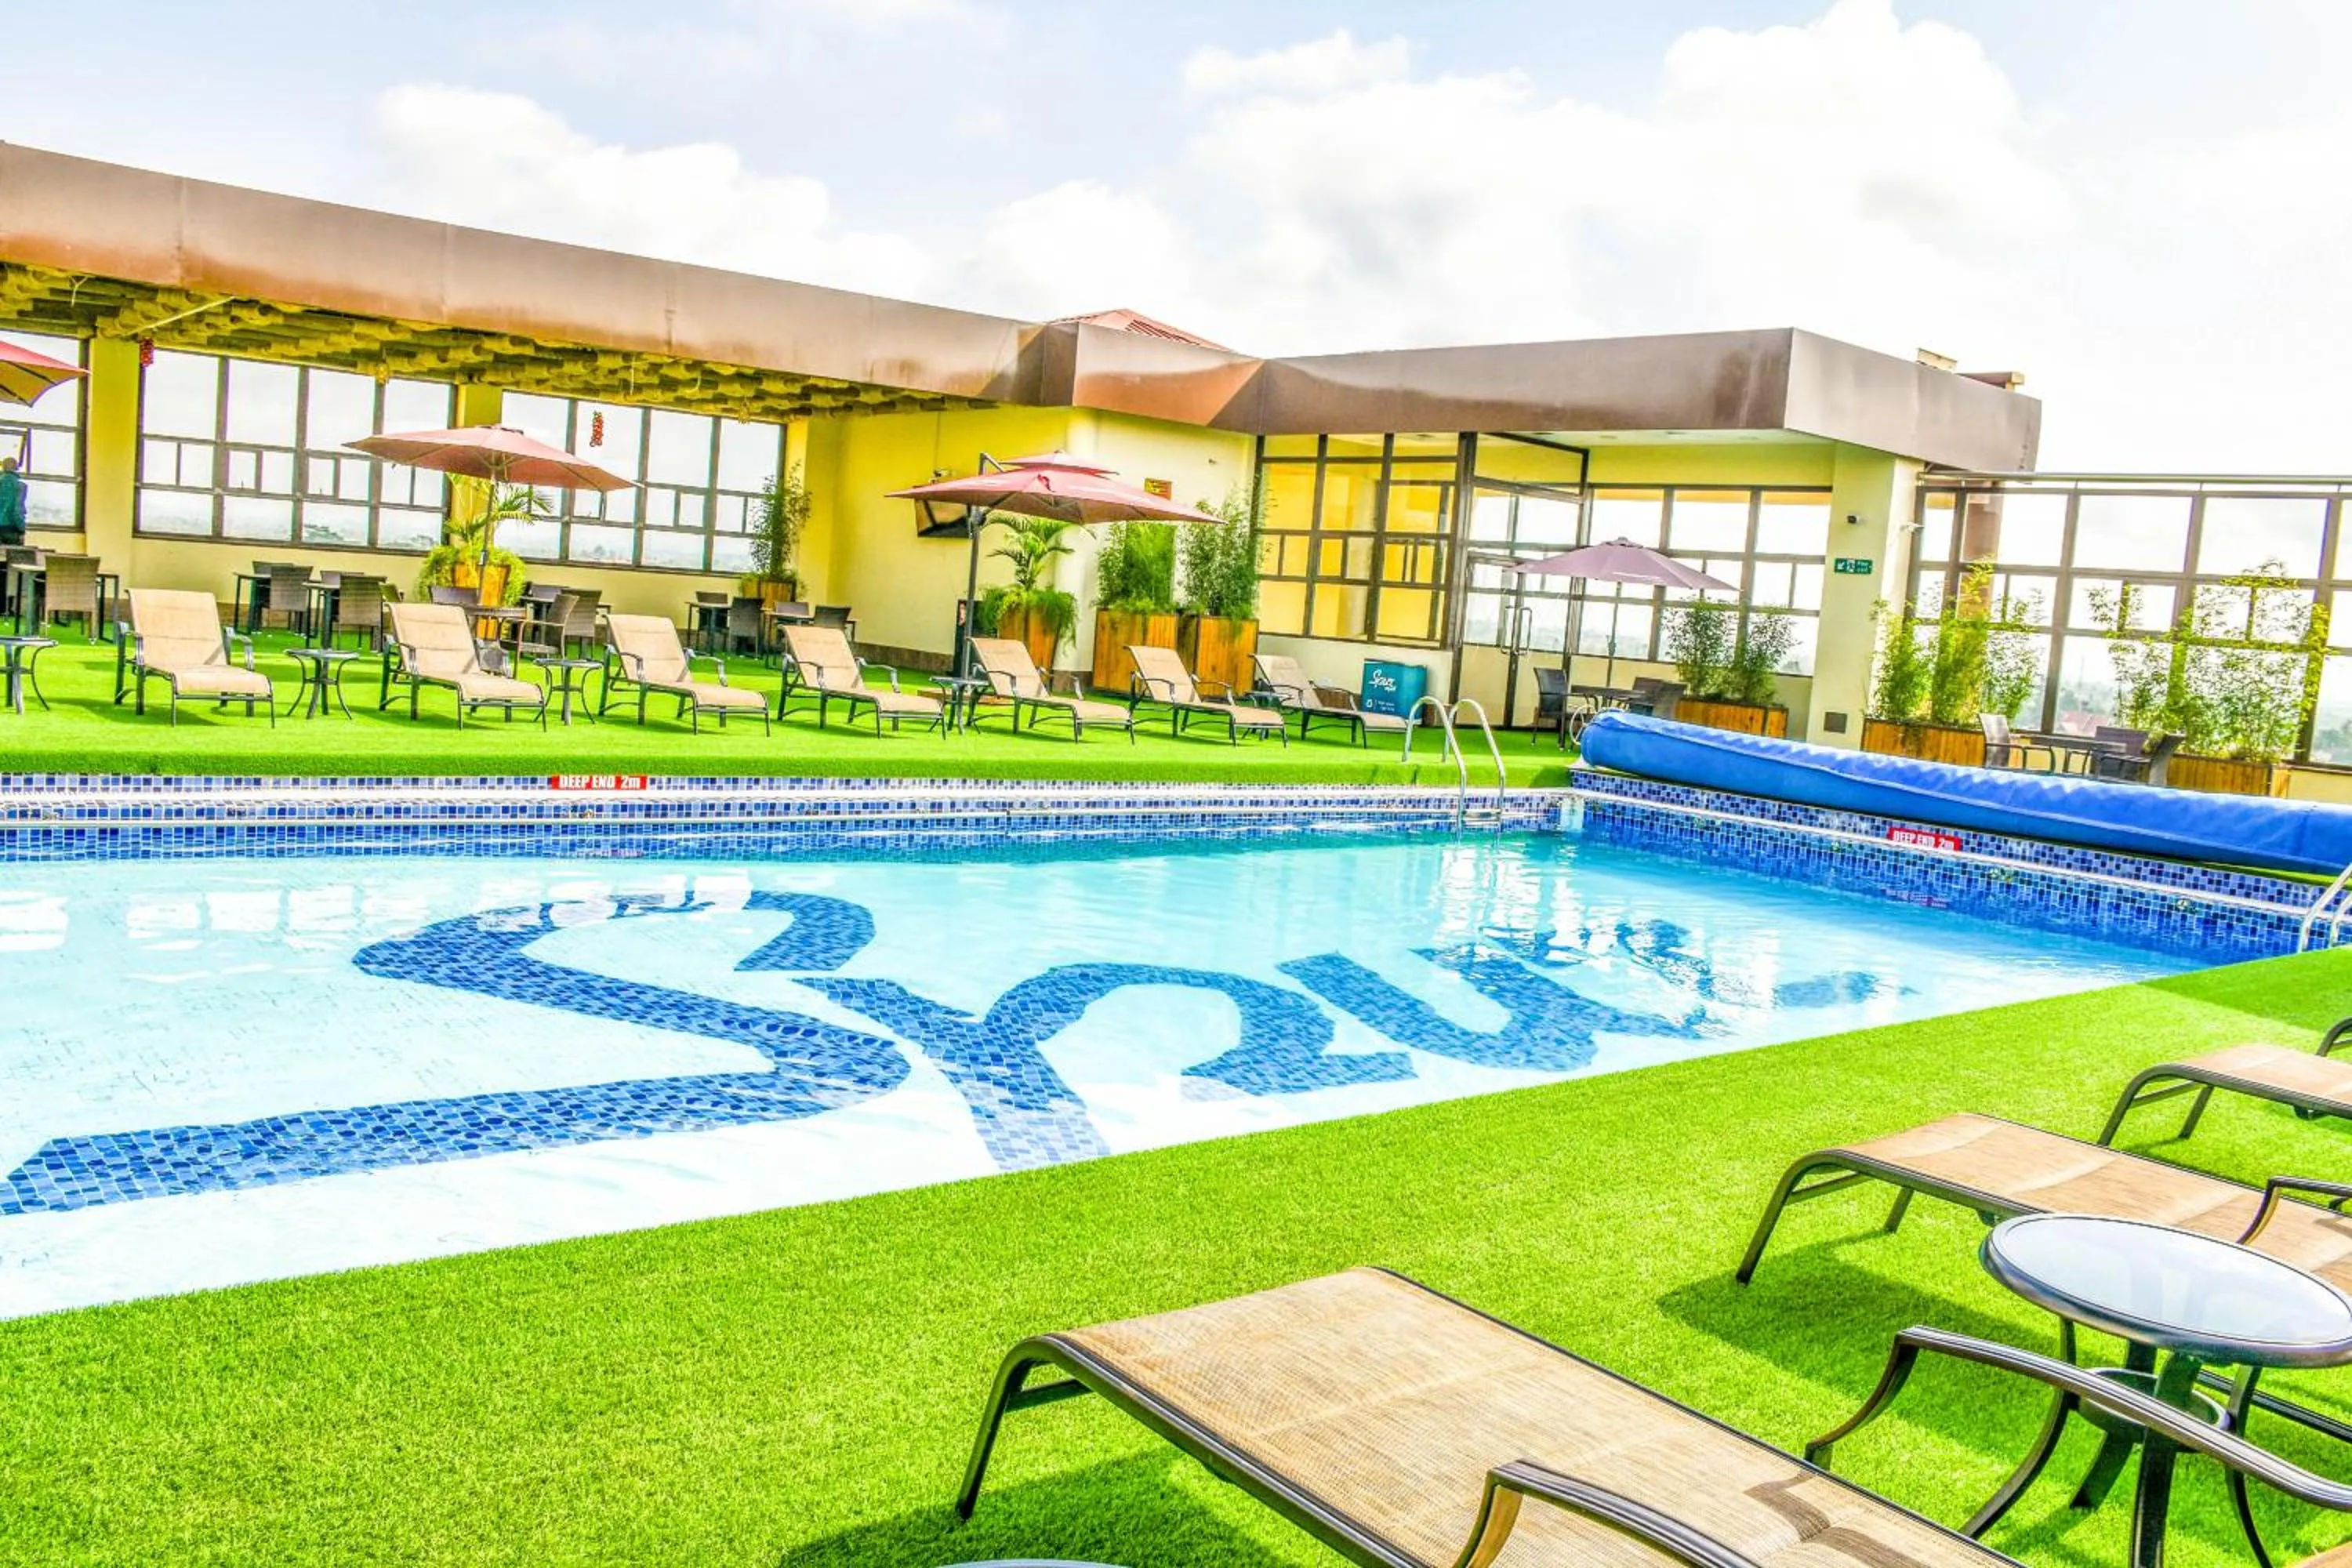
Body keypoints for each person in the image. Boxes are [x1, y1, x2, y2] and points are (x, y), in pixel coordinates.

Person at [0, 456, 25, 548]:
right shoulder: (19, 486)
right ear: (15, 468)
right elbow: (17, 510)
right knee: (13, 560)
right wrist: (21, 529)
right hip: (11, 529)